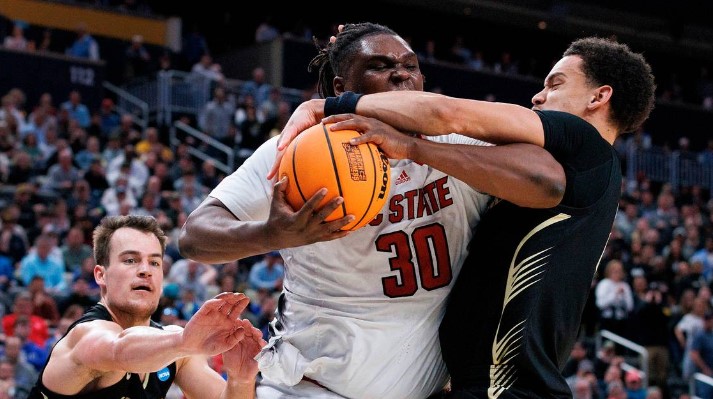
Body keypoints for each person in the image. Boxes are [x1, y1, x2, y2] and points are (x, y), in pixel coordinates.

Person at [179, 22, 564, 398]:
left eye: (410, 65)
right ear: (343, 90)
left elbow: (548, 183)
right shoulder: (303, 150)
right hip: (308, 387)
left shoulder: (456, 144)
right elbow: (195, 237)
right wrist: (271, 234)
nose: (400, 75)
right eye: (379, 66)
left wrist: (416, 148)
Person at [277, 36, 655, 398]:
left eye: (555, 85)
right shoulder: (581, 175)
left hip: (504, 390)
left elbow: (447, 114)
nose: (538, 96)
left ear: (599, 96)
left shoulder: (588, 146)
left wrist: (331, 106)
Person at [28, 215, 265, 399]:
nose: (145, 270)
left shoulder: (175, 347)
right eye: (130, 260)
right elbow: (119, 349)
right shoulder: (86, 335)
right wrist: (184, 342)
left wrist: (240, 379)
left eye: (154, 262)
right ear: (101, 275)